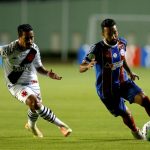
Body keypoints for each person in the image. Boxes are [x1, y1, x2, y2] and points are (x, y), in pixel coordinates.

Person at [79, 18, 150, 140]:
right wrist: (88, 66)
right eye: (110, 33)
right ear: (103, 34)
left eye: (115, 32)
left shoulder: (122, 42)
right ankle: (136, 132)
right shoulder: (97, 49)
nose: (114, 35)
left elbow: (122, 59)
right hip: (107, 90)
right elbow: (81, 67)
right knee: (125, 113)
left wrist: (130, 72)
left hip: (124, 83)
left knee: (145, 99)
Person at [0, 24, 72, 138]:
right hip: (16, 84)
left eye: (32, 37)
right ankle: (61, 126)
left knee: (35, 107)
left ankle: (31, 126)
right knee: (35, 103)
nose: (30, 41)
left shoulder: (34, 49)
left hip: (32, 81)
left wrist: (48, 73)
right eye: (27, 38)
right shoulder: (7, 50)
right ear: (19, 37)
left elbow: (39, 68)